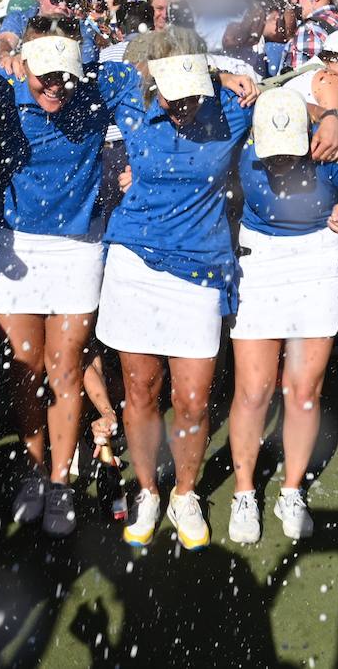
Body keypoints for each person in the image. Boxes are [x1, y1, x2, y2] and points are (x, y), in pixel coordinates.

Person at [95, 28, 255, 550]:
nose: (183, 105)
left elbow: (314, 97)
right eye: (173, 92)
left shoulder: (230, 109)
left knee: (191, 399)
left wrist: (221, 76)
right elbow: (80, 72)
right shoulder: (129, 96)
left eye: (191, 92)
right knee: (141, 392)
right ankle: (147, 490)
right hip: (134, 263)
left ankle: (184, 493)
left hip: (201, 269)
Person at [227, 88, 338, 544]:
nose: (279, 163)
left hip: (316, 258)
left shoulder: (327, 142)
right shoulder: (241, 137)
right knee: (253, 392)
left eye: (289, 153)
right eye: (271, 155)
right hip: (259, 259)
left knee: (303, 391)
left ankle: (291, 490)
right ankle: (244, 491)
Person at [0, 33, 109, 537]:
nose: (56, 87)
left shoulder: (100, 93)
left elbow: (156, 67)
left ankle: (59, 480)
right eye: (45, 76)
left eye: (66, 77)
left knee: (65, 370)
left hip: (77, 248)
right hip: (14, 245)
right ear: (22, 66)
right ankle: (33, 471)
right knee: (25, 368)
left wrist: (227, 75)